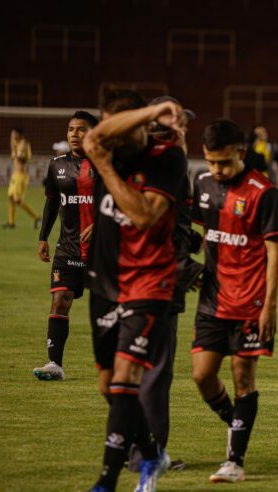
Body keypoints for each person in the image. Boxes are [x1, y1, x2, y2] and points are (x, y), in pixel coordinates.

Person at [84, 90, 187, 492]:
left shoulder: (169, 158)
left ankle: (107, 481)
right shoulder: (104, 145)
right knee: (109, 386)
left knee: (127, 377)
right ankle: (153, 452)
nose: (110, 139)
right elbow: (95, 139)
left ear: (141, 126)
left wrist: (107, 170)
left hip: (149, 281)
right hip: (105, 282)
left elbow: (144, 215)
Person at [191, 119, 278, 483]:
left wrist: (270, 306)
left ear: (241, 154)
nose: (217, 170)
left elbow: (275, 253)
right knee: (202, 375)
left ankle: (234, 460)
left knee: (243, 376)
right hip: (212, 301)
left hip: (250, 303)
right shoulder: (201, 185)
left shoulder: (264, 192)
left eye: (225, 163)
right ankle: (237, 421)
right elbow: (193, 232)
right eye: (211, 162)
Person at [128, 96, 202, 472]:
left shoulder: (147, 162)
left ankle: (136, 448)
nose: (184, 129)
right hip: (157, 282)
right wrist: (179, 263)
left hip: (139, 280)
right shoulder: (169, 162)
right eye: (178, 123)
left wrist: (192, 243)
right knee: (156, 371)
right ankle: (149, 454)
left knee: (141, 370)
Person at [33, 111, 99, 381]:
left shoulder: (107, 166)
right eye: (71, 129)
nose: (74, 134)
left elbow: (121, 202)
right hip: (68, 248)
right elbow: (52, 202)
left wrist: (102, 225)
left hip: (102, 252)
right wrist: (43, 236)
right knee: (60, 300)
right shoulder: (56, 164)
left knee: (114, 310)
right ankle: (55, 364)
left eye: (81, 129)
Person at [4, 127, 41, 229]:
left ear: (19, 135)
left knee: (17, 199)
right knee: (11, 198)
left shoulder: (23, 144)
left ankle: (37, 218)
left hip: (21, 175)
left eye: (14, 134)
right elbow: (14, 155)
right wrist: (13, 144)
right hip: (16, 174)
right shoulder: (18, 144)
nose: (12, 136)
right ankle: (11, 223)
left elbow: (20, 158)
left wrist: (13, 143)